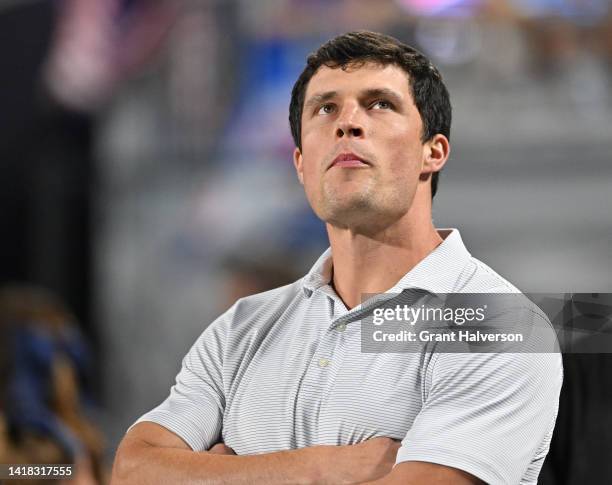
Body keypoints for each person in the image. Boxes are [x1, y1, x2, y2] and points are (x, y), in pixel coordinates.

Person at [111, 31, 563, 485]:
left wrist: (221, 472)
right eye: (326, 108)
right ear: (302, 163)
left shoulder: (499, 325)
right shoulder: (241, 328)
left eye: (379, 104)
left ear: (434, 151)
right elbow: (133, 470)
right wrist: (322, 467)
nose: (347, 123)